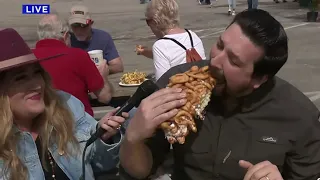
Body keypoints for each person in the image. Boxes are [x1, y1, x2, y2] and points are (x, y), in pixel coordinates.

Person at [119, 9, 320, 180]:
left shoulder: (300, 117)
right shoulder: (177, 84)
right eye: (220, 45)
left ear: (259, 79)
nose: (215, 61)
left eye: (233, 61)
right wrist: (133, 139)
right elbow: (142, 170)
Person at [0, 28, 127, 180]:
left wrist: (104, 137)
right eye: (20, 78)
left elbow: (101, 164)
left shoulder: (65, 104)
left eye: (37, 73)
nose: (37, 85)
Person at [33, 13, 112, 117]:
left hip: (40, 124)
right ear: (65, 36)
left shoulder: (26, 58)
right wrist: (103, 76)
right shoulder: (78, 55)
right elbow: (104, 97)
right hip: (77, 124)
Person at [136, 0, 206, 81]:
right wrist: (145, 52)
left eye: (148, 21)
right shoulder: (193, 36)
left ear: (155, 22)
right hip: (200, 87)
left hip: (179, 91)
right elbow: (175, 53)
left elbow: (162, 82)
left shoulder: (160, 45)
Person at [68, 4, 124, 74]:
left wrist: (103, 69)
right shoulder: (65, 39)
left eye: (83, 25)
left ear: (91, 23)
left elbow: (118, 66)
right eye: (75, 26)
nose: (79, 30)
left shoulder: (103, 37)